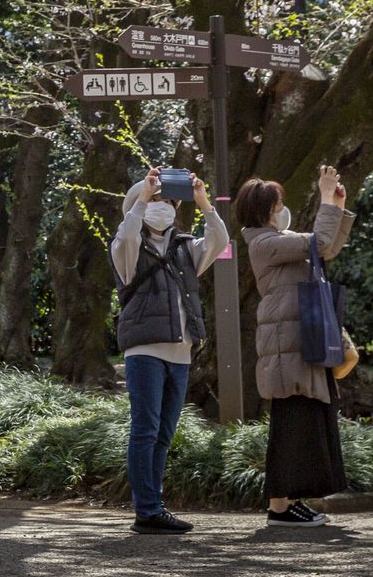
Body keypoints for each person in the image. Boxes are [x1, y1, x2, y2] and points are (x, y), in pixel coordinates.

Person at [110, 166, 230, 534]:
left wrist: (204, 201)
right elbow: (126, 235)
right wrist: (143, 195)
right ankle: (146, 510)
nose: (164, 207)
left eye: (168, 201)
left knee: (163, 433)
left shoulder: (185, 248)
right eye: (156, 201)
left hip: (181, 352)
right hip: (144, 350)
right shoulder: (127, 249)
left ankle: (153, 508)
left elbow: (219, 240)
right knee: (145, 431)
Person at [242, 164, 357, 527]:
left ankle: (286, 504)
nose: (281, 210)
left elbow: (327, 250)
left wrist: (336, 208)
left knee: (303, 422)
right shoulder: (264, 243)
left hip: (297, 341)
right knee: (291, 423)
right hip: (286, 345)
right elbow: (319, 243)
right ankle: (280, 507)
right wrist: (324, 198)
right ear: (264, 210)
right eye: (277, 205)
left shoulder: (282, 240)